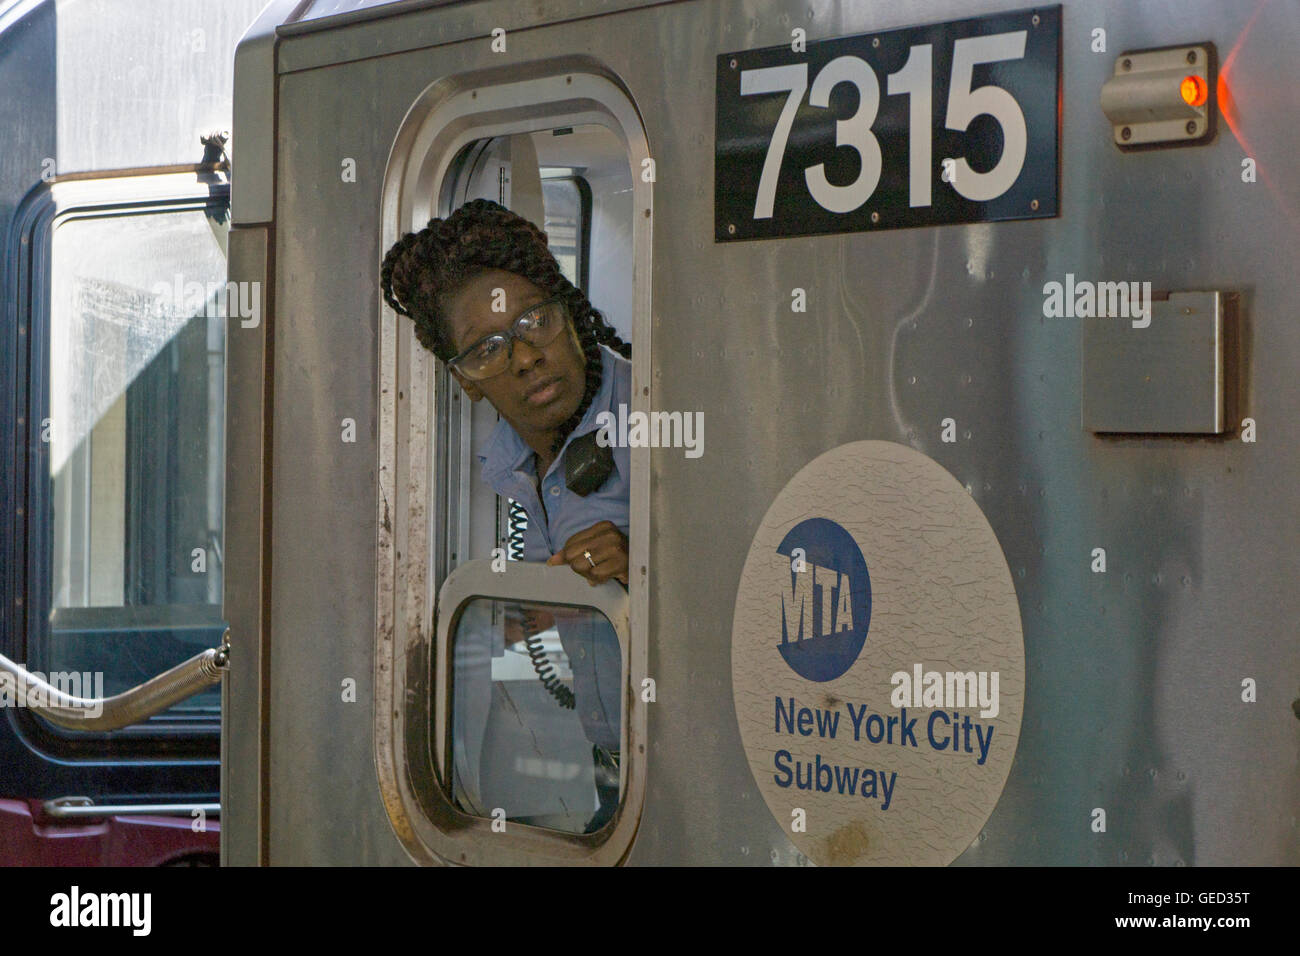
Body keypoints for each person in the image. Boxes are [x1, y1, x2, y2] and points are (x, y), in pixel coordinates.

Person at [380, 198, 629, 832]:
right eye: (488, 348)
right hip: (613, 769)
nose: (523, 356)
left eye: (535, 321)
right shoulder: (511, 463)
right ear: (465, 379)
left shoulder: (650, 415)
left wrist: (647, 560)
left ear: (569, 310)